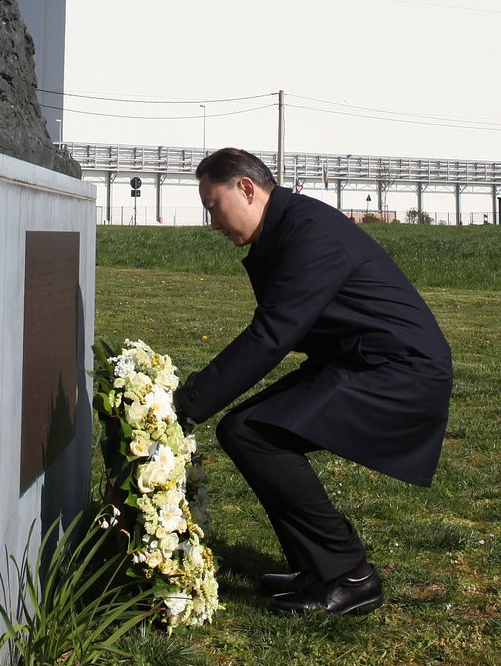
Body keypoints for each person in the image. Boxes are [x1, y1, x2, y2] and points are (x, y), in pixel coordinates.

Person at [176, 148, 453, 616]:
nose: (213, 223)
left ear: (245, 188)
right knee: (242, 429)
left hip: (400, 369)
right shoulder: (286, 226)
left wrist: (188, 402)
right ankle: (316, 567)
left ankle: (351, 576)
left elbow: (272, 335)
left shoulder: (308, 230)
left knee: (258, 435)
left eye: (212, 205)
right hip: (357, 358)